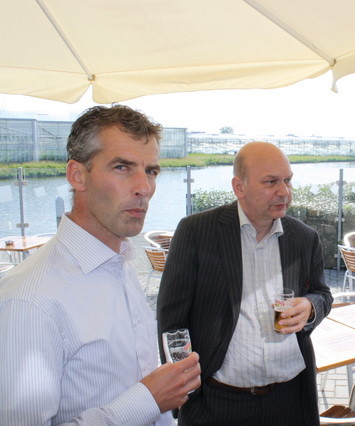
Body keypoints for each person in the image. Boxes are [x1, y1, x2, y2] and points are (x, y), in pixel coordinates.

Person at [0, 105, 201, 425]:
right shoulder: (29, 300)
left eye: (151, 171)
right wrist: (148, 400)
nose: (144, 188)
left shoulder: (120, 263)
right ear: (77, 175)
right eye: (122, 167)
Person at [157, 141, 333, 425]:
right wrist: (185, 394)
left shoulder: (304, 237)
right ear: (239, 187)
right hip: (218, 403)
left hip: (290, 400)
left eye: (288, 180)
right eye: (271, 182)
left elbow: (322, 293)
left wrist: (311, 306)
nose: (284, 192)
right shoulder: (196, 232)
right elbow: (172, 322)